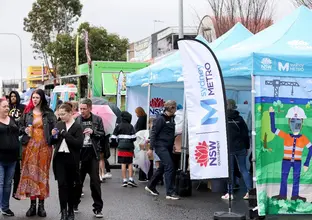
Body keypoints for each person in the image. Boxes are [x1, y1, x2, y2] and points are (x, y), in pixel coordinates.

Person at [16, 89, 57, 217]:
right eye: (33, 97)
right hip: (30, 146)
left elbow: (55, 127)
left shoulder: (49, 113)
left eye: (37, 97)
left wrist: (53, 134)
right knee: (31, 176)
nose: (35, 100)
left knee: (42, 176)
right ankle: (32, 205)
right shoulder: (27, 113)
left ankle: (41, 206)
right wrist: (25, 130)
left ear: (42, 99)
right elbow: (20, 127)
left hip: (45, 147)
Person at [50, 102, 84, 220]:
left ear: (70, 113)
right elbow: (52, 142)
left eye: (63, 114)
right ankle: (63, 211)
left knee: (71, 186)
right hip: (59, 158)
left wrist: (65, 134)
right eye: (59, 114)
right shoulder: (59, 124)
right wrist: (53, 136)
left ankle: (71, 210)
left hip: (72, 159)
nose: (61, 117)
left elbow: (78, 144)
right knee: (61, 185)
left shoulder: (77, 126)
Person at [74, 98, 104, 218]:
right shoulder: (76, 120)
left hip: (93, 154)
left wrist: (93, 132)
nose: (82, 111)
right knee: (78, 182)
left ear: (90, 108)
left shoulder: (97, 119)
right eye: (80, 109)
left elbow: (102, 134)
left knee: (95, 183)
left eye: (84, 109)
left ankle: (98, 208)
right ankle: (74, 204)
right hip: (80, 154)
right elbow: (72, 135)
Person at [145, 100, 179, 200]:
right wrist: (151, 149)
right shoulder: (161, 119)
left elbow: (170, 133)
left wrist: (172, 144)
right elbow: (153, 133)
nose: (176, 109)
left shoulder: (172, 118)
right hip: (160, 146)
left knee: (163, 167)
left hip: (168, 146)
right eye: (175, 107)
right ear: (171, 108)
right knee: (169, 166)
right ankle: (170, 192)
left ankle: (151, 185)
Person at [221, 99, 251, 200]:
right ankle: (250, 192)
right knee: (244, 170)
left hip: (228, 148)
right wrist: (247, 147)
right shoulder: (240, 119)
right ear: (234, 107)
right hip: (240, 147)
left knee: (230, 171)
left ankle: (230, 193)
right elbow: (245, 134)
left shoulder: (223, 119)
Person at [0, 98, 20, 216]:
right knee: (0, 185)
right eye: (4, 106)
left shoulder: (12, 119)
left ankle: (5, 207)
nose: (7, 108)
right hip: (0, 158)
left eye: (8, 106)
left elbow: (18, 133)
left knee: (8, 185)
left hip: (12, 158)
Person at [111, 111, 137, 187]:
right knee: (130, 163)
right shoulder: (130, 126)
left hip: (121, 147)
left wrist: (117, 144)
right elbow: (134, 138)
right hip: (129, 147)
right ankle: (131, 179)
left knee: (123, 164)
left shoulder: (118, 126)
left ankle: (124, 180)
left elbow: (113, 138)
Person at [8, 91, 25, 200]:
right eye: (11, 96)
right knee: (13, 166)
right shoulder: (7, 107)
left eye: (15, 96)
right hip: (9, 137)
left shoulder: (23, 107)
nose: (13, 98)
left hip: (21, 137)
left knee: (19, 166)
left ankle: (17, 191)